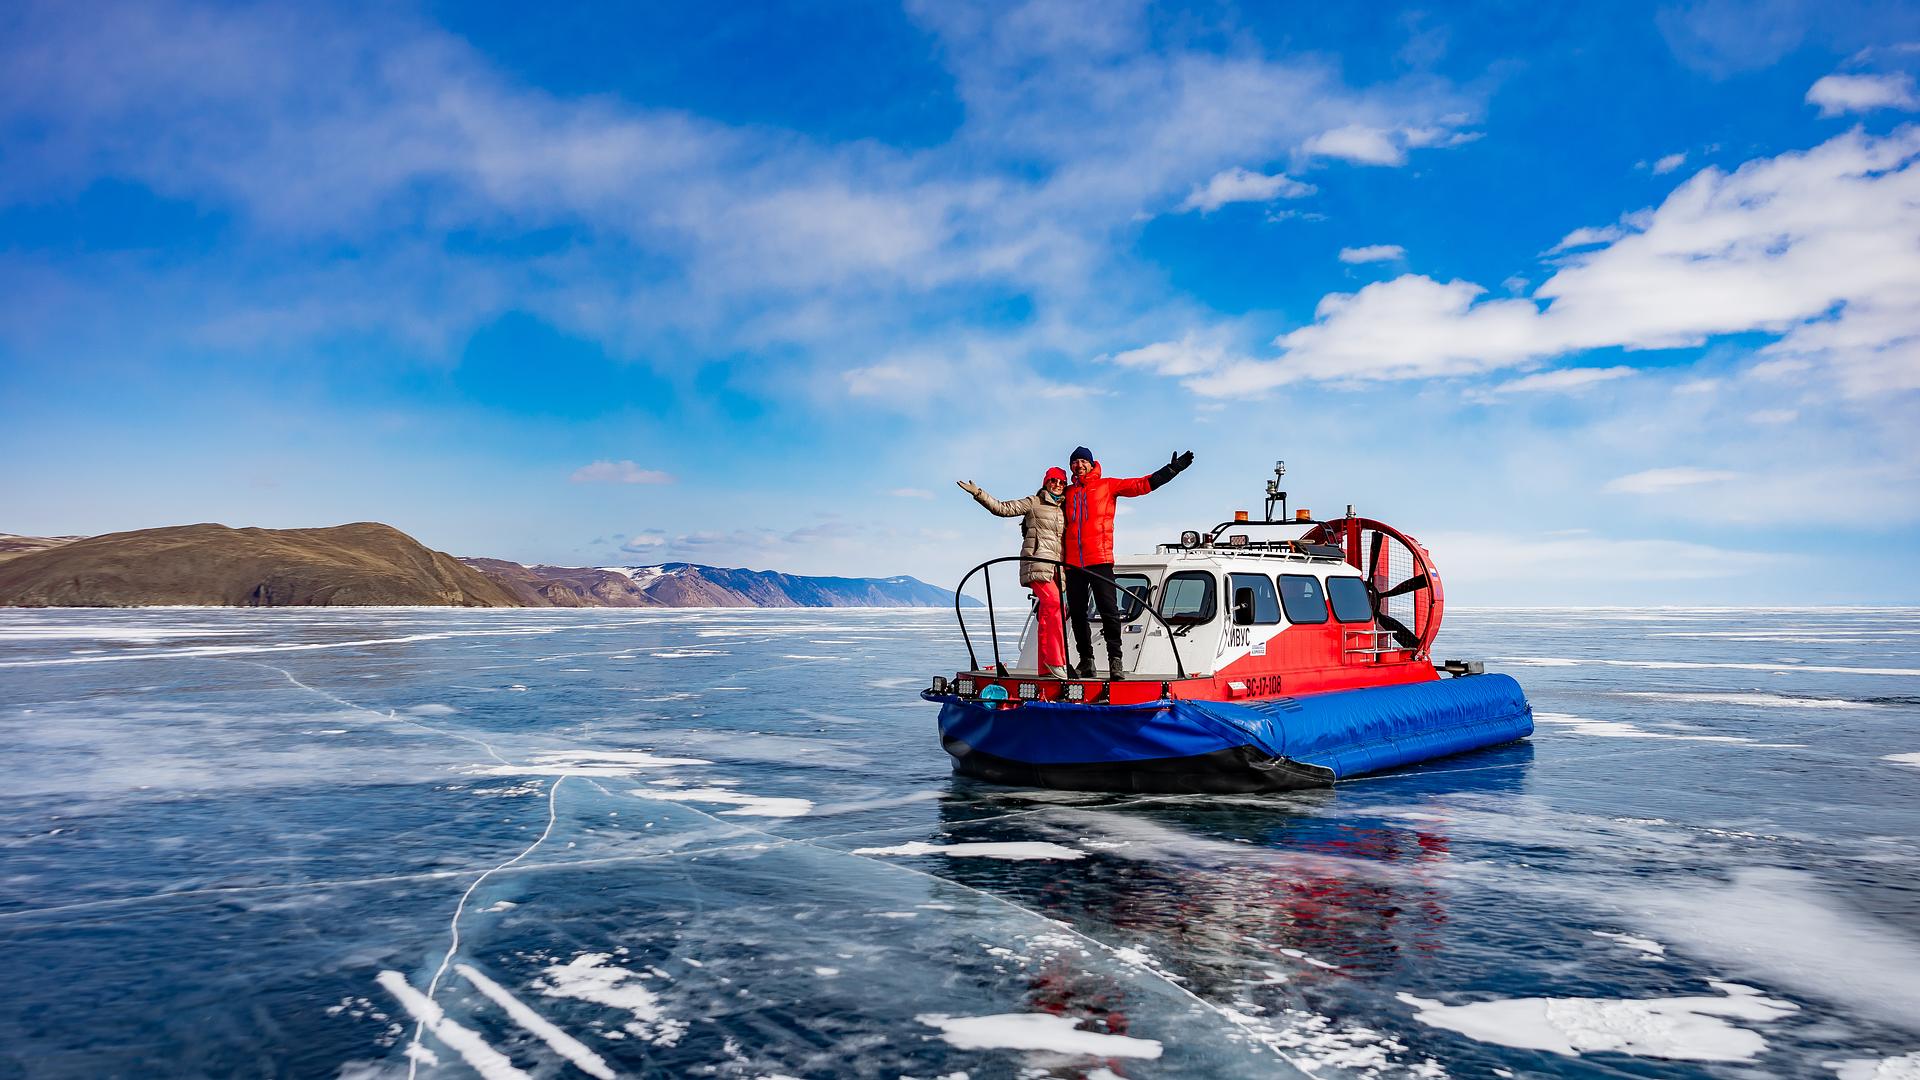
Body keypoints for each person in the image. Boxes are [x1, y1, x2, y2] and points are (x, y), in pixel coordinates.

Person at [1063, 445, 1194, 682]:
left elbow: (1141, 485)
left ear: (1092, 464)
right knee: (1078, 615)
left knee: (1109, 612)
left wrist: (1171, 470)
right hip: (1073, 563)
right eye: (1075, 462)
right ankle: (1086, 661)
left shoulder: (1107, 486)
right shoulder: (1067, 493)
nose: (1079, 465)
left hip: (1099, 559)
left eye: (1083, 461)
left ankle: (1116, 661)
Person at [957, 468, 1071, 679]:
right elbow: (1003, 508)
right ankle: (1055, 660)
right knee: (1053, 603)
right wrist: (978, 493)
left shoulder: (1064, 507)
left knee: (1055, 610)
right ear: (1046, 482)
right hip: (1037, 565)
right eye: (1053, 481)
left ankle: (1045, 668)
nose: (1057, 485)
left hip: (1056, 569)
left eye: (1061, 482)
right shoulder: (1034, 502)